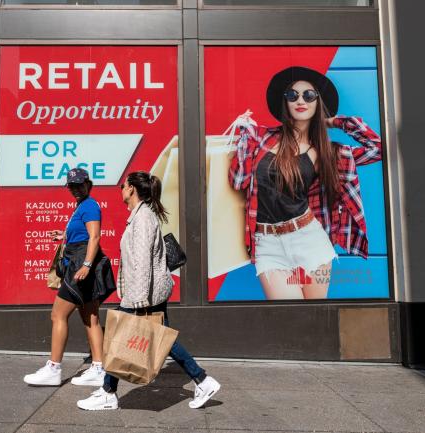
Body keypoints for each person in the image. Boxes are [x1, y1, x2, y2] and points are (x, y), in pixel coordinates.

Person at [229, 66, 382, 300]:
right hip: (268, 245)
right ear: (285, 103)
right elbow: (238, 181)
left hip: (310, 240)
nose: (301, 100)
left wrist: (333, 122)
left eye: (309, 95)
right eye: (293, 95)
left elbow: (377, 148)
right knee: (288, 318)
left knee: (314, 318)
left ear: (317, 103)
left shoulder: (325, 153)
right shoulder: (260, 137)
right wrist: (244, 138)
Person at [76, 171, 220, 411]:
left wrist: (138, 300)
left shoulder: (142, 219)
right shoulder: (140, 216)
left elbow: (142, 262)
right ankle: (202, 380)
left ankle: (108, 392)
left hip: (143, 293)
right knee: (163, 340)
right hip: (148, 291)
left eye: (123, 185)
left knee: (118, 337)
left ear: (132, 188)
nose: (121, 189)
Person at [24, 168, 115, 387]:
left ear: (88, 184)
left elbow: (94, 236)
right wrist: (63, 236)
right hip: (78, 263)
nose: (75, 189)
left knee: (57, 315)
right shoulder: (81, 206)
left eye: (79, 185)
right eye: (72, 185)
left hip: (80, 266)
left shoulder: (90, 206)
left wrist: (86, 265)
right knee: (90, 318)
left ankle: (53, 368)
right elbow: (83, 234)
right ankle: (98, 368)